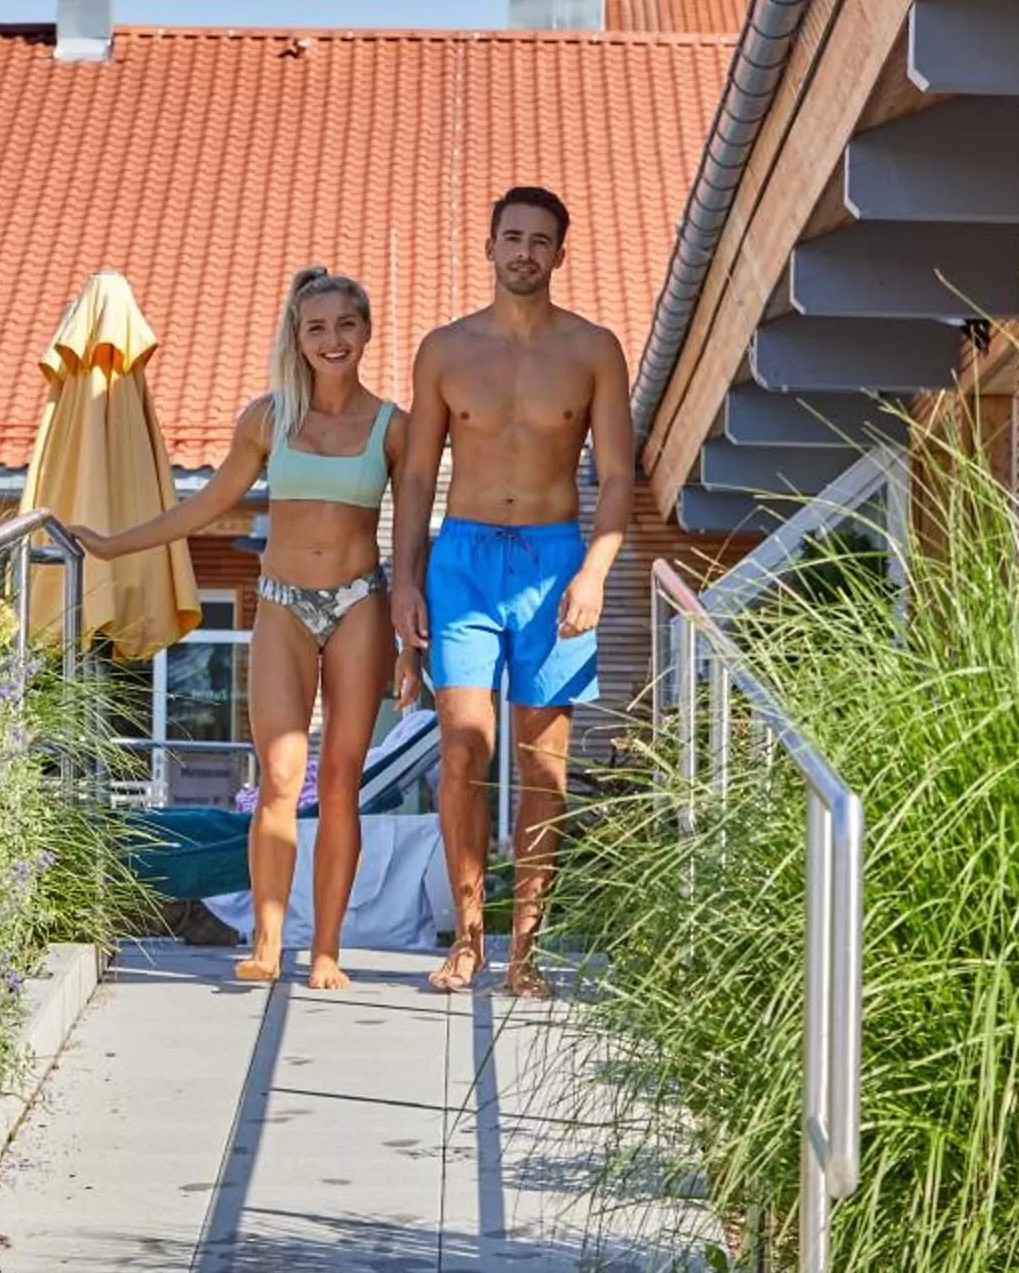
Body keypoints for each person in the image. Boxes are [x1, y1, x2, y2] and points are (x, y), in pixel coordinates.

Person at [72, 268, 411, 990]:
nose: (332, 340)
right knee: (280, 776)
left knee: (341, 781)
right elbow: (205, 506)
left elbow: (410, 540)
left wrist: (415, 639)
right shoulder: (267, 419)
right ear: (298, 337)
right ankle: (267, 941)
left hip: (360, 603)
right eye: (316, 328)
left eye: (345, 325)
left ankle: (326, 950)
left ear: (366, 331)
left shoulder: (394, 428)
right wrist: (113, 544)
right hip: (282, 604)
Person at [391, 186, 634, 998]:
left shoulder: (594, 349)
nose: (524, 252)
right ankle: (468, 940)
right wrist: (404, 581)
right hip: (461, 562)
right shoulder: (445, 350)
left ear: (561, 254)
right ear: (489, 246)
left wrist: (595, 570)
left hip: (554, 561)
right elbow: (416, 475)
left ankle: (524, 950)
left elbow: (619, 475)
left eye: (539, 241)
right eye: (512, 237)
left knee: (544, 765)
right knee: (462, 749)